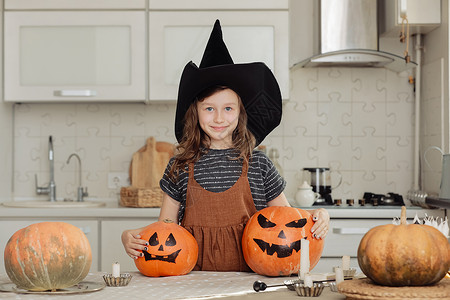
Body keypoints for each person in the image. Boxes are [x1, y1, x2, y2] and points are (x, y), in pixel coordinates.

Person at [122, 20, 330, 272]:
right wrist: (130, 237)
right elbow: (166, 228)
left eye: (228, 108)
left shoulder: (258, 164)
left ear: (240, 112)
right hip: (192, 281)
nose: (219, 118)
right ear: (195, 113)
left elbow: (288, 221)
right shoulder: (179, 165)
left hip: (250, 281)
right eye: (209, 108)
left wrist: (318, 216)